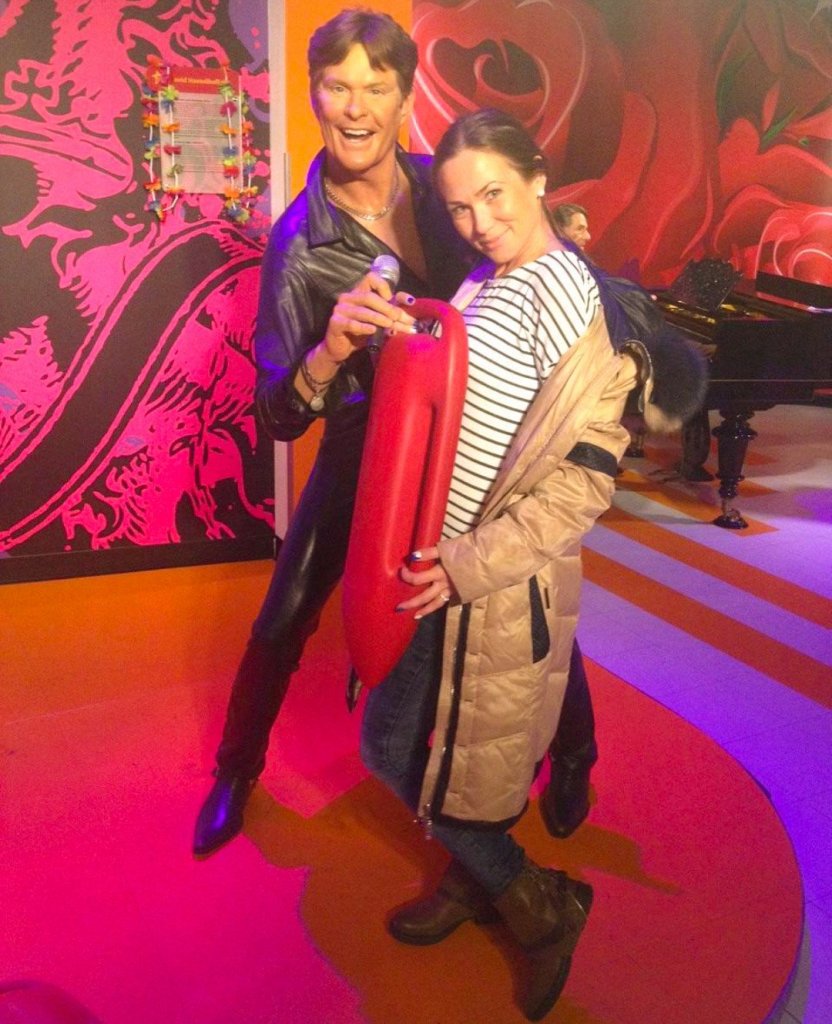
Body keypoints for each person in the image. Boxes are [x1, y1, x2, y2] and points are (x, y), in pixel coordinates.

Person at [193, 10, 597, 859]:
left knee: (521, 592)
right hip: (367, 447)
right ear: (313, 95)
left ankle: (574, 755)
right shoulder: (298, 245)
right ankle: (235, 770)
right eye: (338, 86)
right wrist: (331, 349)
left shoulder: (446, 183)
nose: (356, 107)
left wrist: (556, 233)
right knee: (285, 613)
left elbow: (516, 238)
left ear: (405, 97)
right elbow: (279, 414)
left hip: (475, 437)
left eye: (376, 87)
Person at [359, 110, 647, 1021]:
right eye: (458, 207)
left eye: (493, 195)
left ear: (537, 178)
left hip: (483, 579)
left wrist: (468, 564)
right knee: (432, 751)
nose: (478, 222)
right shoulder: (490, 278)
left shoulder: (566, 295)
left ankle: (539, 902)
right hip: (432, 559)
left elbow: (580, 488)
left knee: (399, 749)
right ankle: (481, 877)